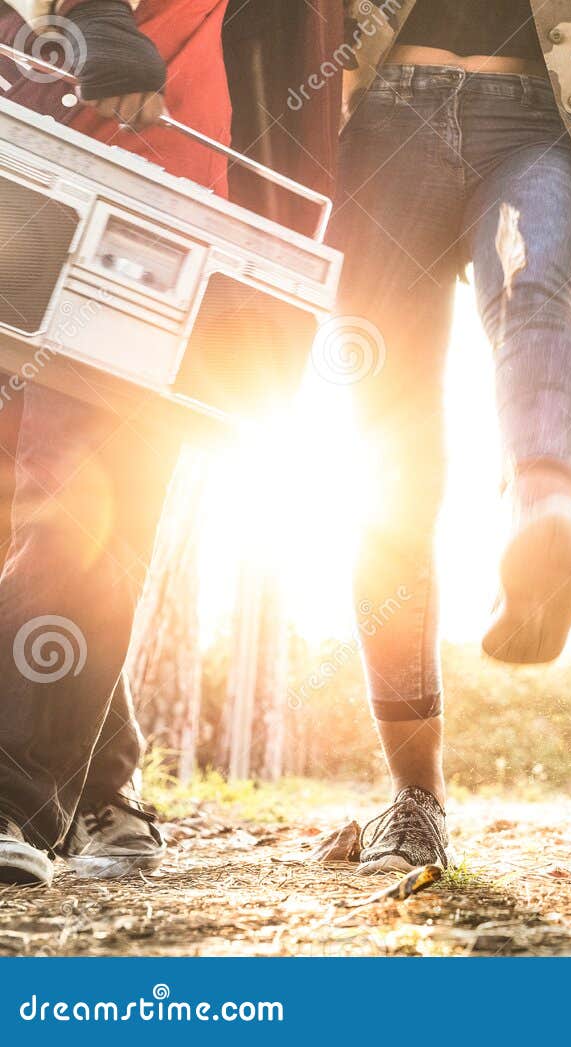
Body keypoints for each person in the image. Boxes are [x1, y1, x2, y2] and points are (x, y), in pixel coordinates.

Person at [330, 0, 571, 873]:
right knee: (394, 431)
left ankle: (543, 518)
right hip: (386, 115)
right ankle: (415, 791)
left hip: (540, 113)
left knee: (530, 295)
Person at [0, 0, 230, 886]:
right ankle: (98, 776)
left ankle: (15, 789)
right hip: (31, 102)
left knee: (85, 486)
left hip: (156, 143)